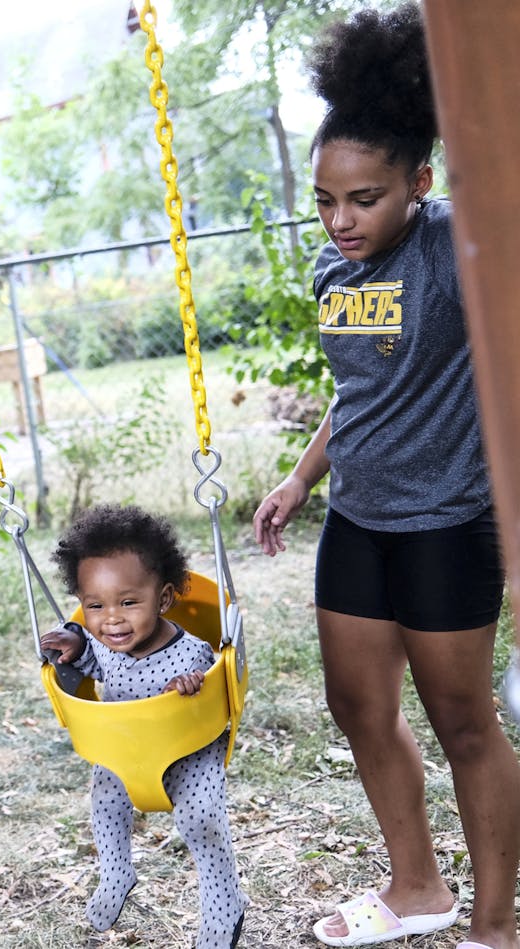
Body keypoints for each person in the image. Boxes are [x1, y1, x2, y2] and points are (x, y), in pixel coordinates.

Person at [252, 5, 519, 948]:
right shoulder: (336, 271)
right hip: (358, 519)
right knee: (357, 706)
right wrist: (299, 477)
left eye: (364, 198)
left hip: (448, 521)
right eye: (327, 200)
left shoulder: (455, 242)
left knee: (464, 722)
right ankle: (418, 889)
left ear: (419, 181)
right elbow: (360, 389)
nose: (341, 219)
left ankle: (493, 924)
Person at [39, 504, 245, 948]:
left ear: (164, 598)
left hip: (188, 749)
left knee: (200, 819)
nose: (112, 618)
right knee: (106, 805)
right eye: (95, 605)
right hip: (126, 749)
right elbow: (88, 658)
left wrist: (191, 682)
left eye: (129, 602)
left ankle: (224, 905)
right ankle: (117, 873)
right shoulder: (103, 639)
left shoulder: (189, 651)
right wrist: (73, 642)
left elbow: (209, 679)